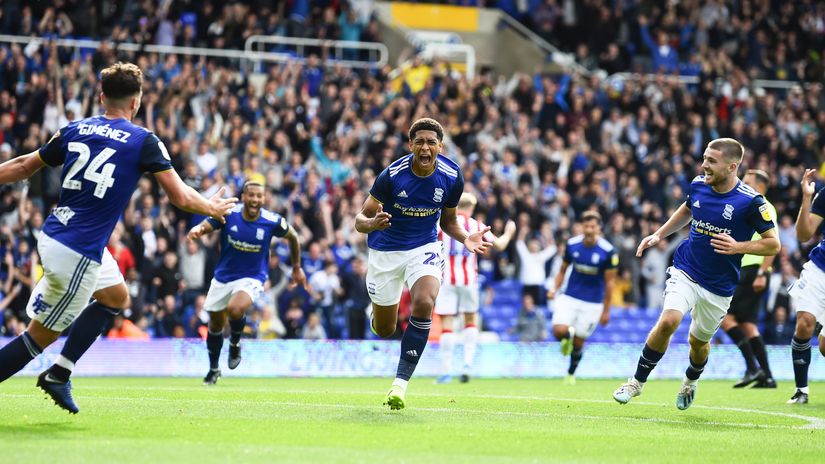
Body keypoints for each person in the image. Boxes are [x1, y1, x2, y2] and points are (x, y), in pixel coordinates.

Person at [0, 62, 236, 413]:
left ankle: (60, 373)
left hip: (60, 233)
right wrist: (212, 208)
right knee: (39, 336)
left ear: (100, 97)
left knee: (116, 296)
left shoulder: (75, 128)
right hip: (77, 250)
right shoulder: (144, 141)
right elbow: (181, 197)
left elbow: (22, 166)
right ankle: (54, 374)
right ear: (137, 102)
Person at [612, 139, 779, 410]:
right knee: (669, 320)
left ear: (732, 166)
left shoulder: (751, 202)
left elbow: (773, 244)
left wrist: (738, 247)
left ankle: (690, 380)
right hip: (686, 269)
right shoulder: (699, 184)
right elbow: (688, 209)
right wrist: (658, 234)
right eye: (704, 158)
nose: (704, 165)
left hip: (719, 285)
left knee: (698, 343)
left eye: (711, 161)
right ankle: (636, 382)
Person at [355, 117, 491, 410]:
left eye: (431, 142)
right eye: (420, 142)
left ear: (440, 146)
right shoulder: (392, 175)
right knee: (385, 327)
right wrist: (373, 224)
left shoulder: (452, 176)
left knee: (425, 302)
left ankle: (400, 385)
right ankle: (378, 317)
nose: (425, 147)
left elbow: (449, 221)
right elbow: (359, 220)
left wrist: (465, 238)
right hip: (386, 253)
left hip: (425, 248)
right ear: (411, 145)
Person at [187, 181, 306, 385]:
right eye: (251, 195)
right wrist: (198, 230)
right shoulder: (230, 213)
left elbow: (293, 236)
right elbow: (209, 223)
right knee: (214, 325)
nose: (255, 200)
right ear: (243, 197)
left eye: (259, 196)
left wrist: (296, 267)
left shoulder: (271, 221)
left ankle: (234, 341)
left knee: (235, 309)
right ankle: (214, 369)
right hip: (223, 277)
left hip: (252, 276)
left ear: (264, 198)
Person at [435, 192, 516, 384]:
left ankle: (446, 371)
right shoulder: (476, 225)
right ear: (472, 208)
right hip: (469, 279)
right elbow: (500, 245)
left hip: (446, 279)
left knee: (447, 324)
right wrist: (510, 232)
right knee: (470, 320)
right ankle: (467, 366)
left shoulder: (441, 223)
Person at [720, 169, 778, 389]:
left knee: (725, 318)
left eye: (748, 181)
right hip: (749, 270)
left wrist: (763, 272)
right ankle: (767, 376)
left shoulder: (763, 206)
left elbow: (774, 243)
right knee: (748, 325)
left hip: (753, 270)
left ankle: (752, 367)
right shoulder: (753, 204)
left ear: (760, 185)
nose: (743, 184)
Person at [548, 211, 618, 385]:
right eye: (586, 226)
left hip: (593, 303)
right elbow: (562, 270)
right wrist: (554, 288)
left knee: (579, 342)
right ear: (581, 227)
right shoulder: (572, 245)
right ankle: (566, 337)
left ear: (599, 229)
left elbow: (610, 284)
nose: (589, 230)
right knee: (558, 331)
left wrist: (606, 311)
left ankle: (571, 373)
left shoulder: (608, 252)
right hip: (570, 297)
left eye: (592, 226)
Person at [786, 169, 825, 404]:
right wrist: (807, 197)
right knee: (804, 324)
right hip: (819, 270)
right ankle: (802, 390)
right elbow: (803, 234)